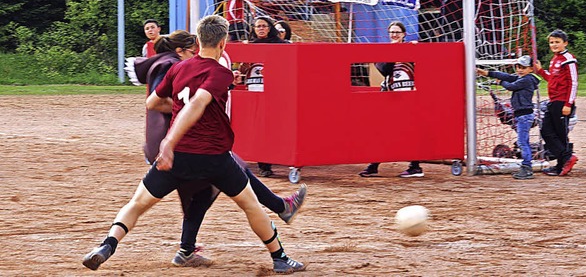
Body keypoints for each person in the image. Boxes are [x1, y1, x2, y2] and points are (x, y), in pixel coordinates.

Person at [82, 15, 306, 274]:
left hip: (178, 157)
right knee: (250, 205)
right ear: (223, 43)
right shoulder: (220, 73)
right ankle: (279, 258)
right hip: (213, 158)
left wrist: (175, 121)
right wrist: (170, 139)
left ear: (198, 40)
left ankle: (107, 245)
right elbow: (199, 103)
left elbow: (152, 103)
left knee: (137, 204)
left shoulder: (178, 68)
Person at [357, 21, 424, 178]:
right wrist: (394, 50)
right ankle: (374, 166)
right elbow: (384, 70)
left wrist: (413, 47)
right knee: (382, 131)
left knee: (409, 132)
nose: (394, 35)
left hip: (408, 97)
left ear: (404, 34)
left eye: (397, 32)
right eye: (392, 32)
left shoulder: (412, 49)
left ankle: (415, 166)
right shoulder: (384, 51)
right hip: (389, 97)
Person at [477, 55, 541, 179]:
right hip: (521, 115)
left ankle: (527, 167)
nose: (519, 69)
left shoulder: (527, 79)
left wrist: (501, 82)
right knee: (523, 142)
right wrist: (487, 73)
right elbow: (506, 76)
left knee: (523, 142)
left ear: (530, 69)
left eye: (523, 67)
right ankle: (526, 166)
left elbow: (511, 86)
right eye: (518, 67)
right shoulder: (521, 77)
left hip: (524, 115)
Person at [240, 16, 289, 177]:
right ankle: (263, 164)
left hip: (275, 92)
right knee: (257, 129)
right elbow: (242, 68)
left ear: (270, 28)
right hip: (253, 90)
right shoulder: (249, 46)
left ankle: (277, 159)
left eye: (264, 26)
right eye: (257, 26)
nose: (260, 28)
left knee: (275, 127)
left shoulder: (282, 45)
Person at [534, 29, 579, 176]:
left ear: (565, 43)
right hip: (553, 101)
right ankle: (564, 160)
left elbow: (573, 83)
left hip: (562, 102)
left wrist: (568, 104)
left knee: (559, 134)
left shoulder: (568, 59)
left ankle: (564, 161)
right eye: (551, 42)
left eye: (557, 42)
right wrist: (541, 71)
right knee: (547, 131)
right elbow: (552, 79)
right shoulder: (555, 59)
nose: (554, 45)